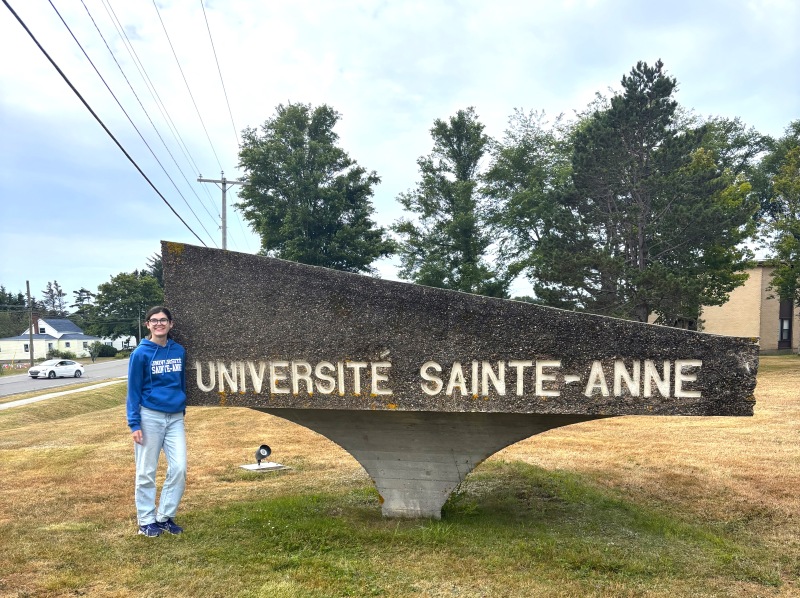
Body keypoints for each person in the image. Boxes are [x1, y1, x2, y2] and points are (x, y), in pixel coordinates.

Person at [127, 306, 187, 537]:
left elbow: (180, 383)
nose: (159, 324)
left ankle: (164, 517)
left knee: (179, 467)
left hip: (175, 418)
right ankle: (146, 521)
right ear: (148, 325)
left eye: (163, 320)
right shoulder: (140, 354)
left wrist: (181, 408)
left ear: (171, 324)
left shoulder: (178, 350)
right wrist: (134, 424)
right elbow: (133, 391)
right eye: (154, 320)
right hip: (149, 416)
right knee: (146, 471)